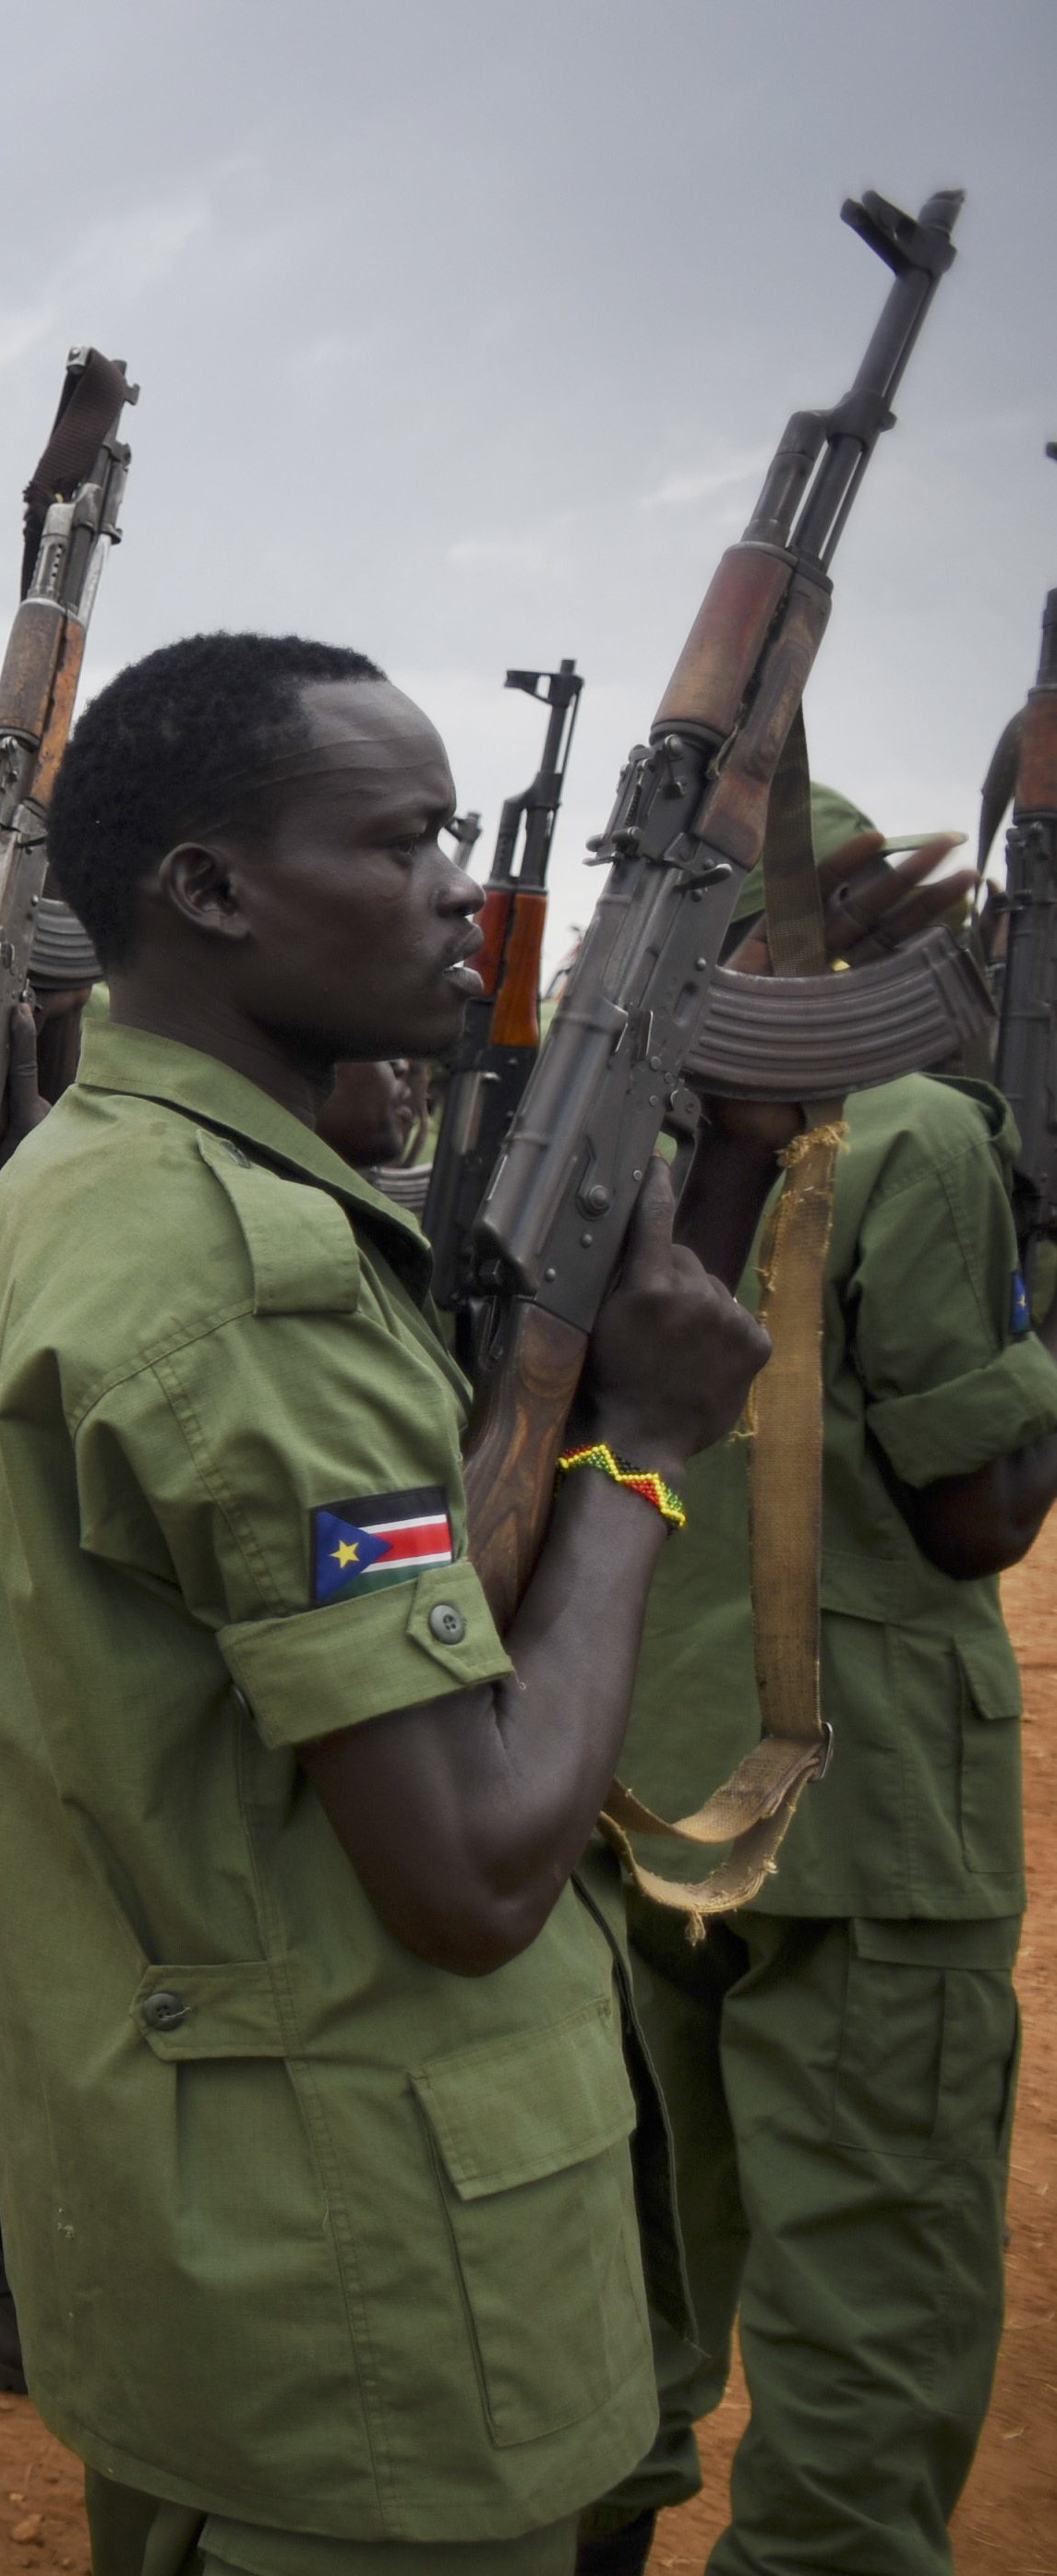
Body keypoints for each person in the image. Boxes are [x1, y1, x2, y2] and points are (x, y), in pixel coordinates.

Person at [0, 631, 771, 2573]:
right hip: (368, 2290)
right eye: (400, 845)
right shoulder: (249, 1275)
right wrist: (643, 1452)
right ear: (210, 891)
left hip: (216, 2225)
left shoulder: (95, 1167)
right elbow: (475, 1871)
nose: (460, 900)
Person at [579, 787, 1057, 2576]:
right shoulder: (917, 1135)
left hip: (636, 1801)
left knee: (624, 2319)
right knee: (866, 2350)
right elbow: (971, 1512)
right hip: (856, 1836)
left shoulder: (621, 1132)